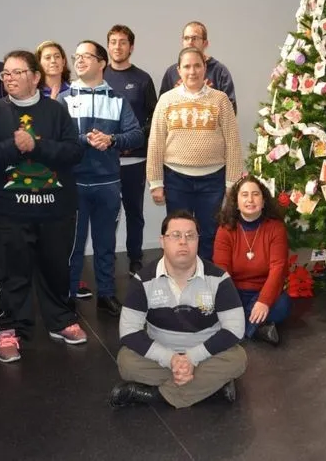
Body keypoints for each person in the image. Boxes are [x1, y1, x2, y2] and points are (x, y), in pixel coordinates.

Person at [0, 50, 87, 363]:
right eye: (6, 74)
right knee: (12, 273)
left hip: (55, 210)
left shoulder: (56, 111)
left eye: (17, 72)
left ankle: (61, 321)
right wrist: (15, 146)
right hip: (8, 212)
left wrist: (36, 146)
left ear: (36, 77)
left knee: (56, 269)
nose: (10, 79)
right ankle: (10, 329)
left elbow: (72, 152)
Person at [111, 210, 247, 408]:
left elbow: (235, 329)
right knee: (126, 360)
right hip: (162, 355)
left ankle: (155, 396)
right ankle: (210, 388)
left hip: (206, 355)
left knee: (238, 359)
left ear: (198, 241)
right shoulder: (143, 280)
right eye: (175, 235)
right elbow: (129, 331)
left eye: (190, 236)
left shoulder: (219, 278)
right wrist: (171, 359)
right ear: (162, 240)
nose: (183, 242)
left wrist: (192, 358)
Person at [58, 40, 143, 314]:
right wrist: (84, 139)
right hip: (74, 184)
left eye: (86, 56)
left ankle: (106, 295)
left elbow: (136, 134)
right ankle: (68, 295)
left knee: (106, 245)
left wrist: (112, 139)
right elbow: (56, 138)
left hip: (107, 184)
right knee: (72, 246)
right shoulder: (64, 99)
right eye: (76, 55)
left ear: (102, 62)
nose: (79, 60)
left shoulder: (117, 100)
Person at [147, 47, 242, 261]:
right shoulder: (166, 100)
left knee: (209, 234)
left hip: (213, 180)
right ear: (178, 70)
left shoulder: (221, 100)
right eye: (187, 66)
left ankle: (205, 280)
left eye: (197, 65)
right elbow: (155, 143)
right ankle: (177, 279)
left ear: (205, 68)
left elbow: (233, 143)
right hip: (176, 179)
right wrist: (155, 182)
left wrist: (232, 183)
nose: (192, 71)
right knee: (178, 234)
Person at [213, 175, 292, 346]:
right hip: (234, 291)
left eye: (256, 194)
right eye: (245, 194)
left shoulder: (275, 228)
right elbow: (221, 271)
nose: (250, 199)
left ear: (263, 201)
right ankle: (258, 329)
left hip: (264, 291)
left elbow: (278, 269)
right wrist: (231, 302)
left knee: (282, 306)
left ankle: (238, 330)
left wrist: (263, 301)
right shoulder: (225, 230)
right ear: (236, 202)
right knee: (209, 305)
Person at [105, 25, 158, 276]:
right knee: (107, 213)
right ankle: (106, 259)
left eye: (123, 42)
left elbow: (153, 118)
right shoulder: (99, 76)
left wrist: (132, 143)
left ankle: (135, 258)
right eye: (113, 42)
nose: (118, 46)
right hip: (105, 159)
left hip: (135, 159)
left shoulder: (143, 79)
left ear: (131, 47)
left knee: (134, 211)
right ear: (108, 46)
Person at [158, 21, 237, 112]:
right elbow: (162, 107)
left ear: (205, 43)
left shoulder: (220, 71)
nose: (190, 42)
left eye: (194, 38)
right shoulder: (171, 72)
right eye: (186, 38)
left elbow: (230, 109)